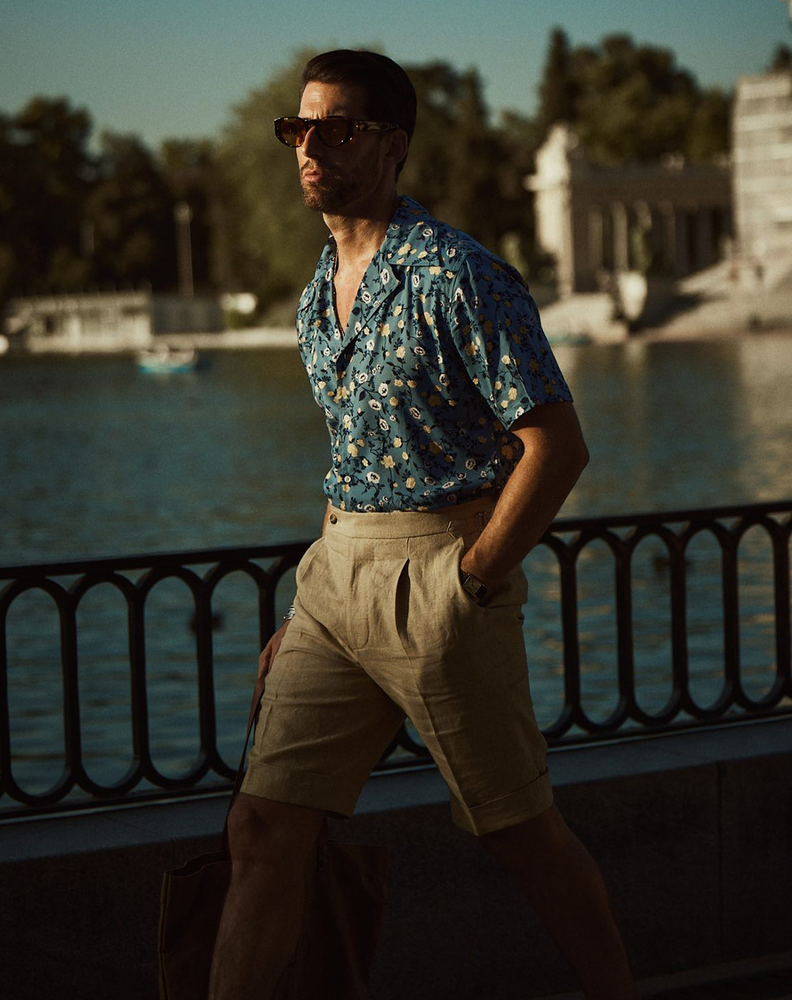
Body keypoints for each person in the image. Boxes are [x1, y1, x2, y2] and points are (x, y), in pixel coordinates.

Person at [208, 49, 638, 1000]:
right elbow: (351, 454)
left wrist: (473, 583)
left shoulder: (460, 276)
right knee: (263, 828)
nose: (310, 146)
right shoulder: (317, 296)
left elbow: (556, 446)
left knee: (520, 835)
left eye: (338, 128)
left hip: (440, 574)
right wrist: (305, 602)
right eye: (299, 128)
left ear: (393, 146)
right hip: (335, 579)